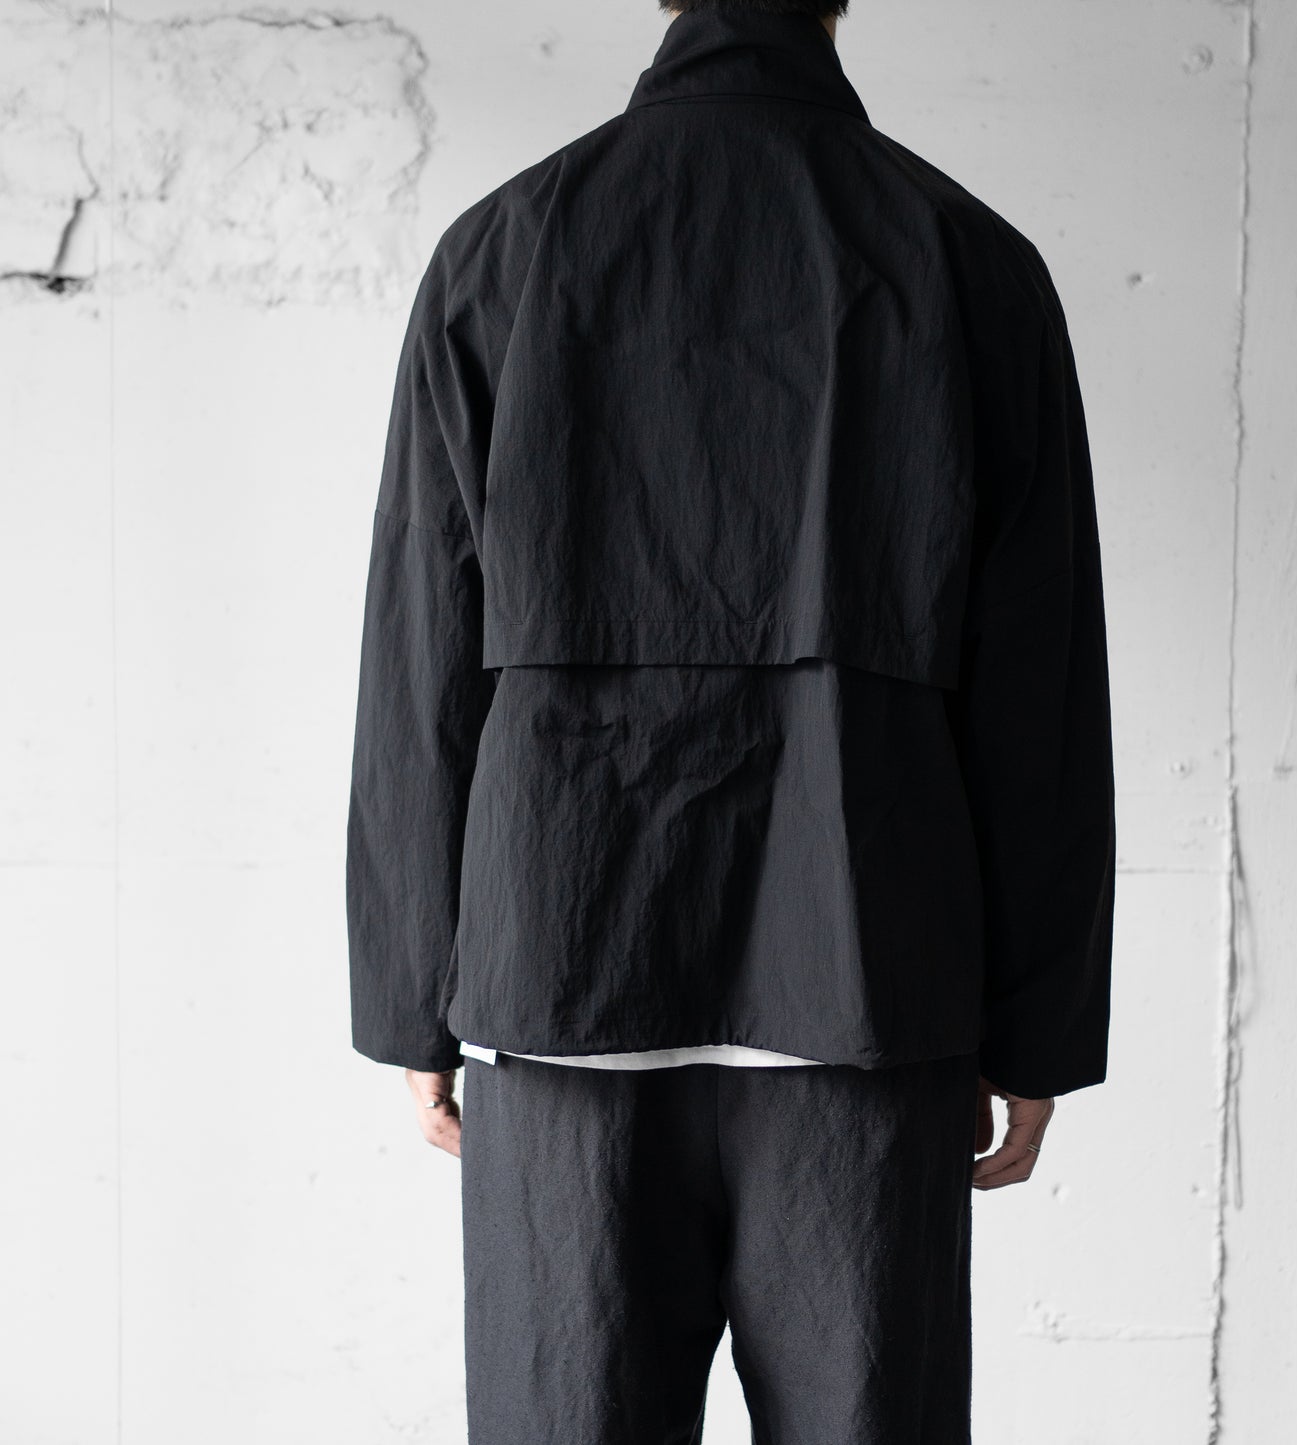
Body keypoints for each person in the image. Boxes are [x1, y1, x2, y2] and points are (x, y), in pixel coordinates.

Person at [345, 1, 1116, 1440]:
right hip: (864, 986)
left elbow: (419, 649)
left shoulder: (504, 250)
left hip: (565, 975)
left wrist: (410, 994)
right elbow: (1041, 694)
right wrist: (1038, 1028)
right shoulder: (969, 260)